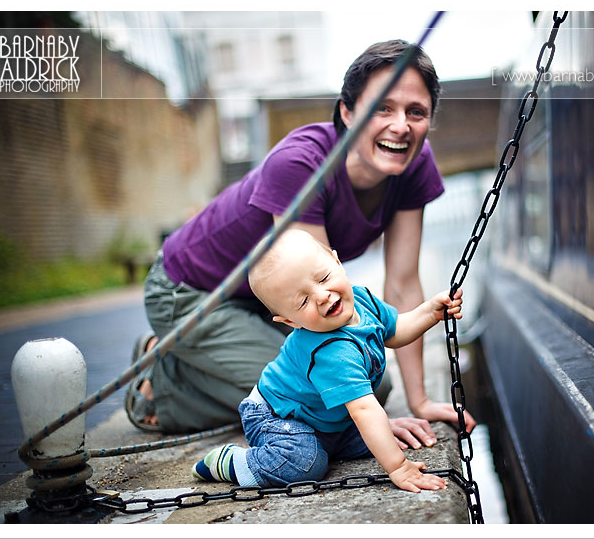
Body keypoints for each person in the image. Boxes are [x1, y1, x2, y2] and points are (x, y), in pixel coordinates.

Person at [125, 39, 476, 447]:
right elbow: (320, 317)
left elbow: (401, 282)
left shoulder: (414, 164)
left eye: (416, 112)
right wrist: (371, 420)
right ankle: (163, 385)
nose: (401, 125)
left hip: (267, 302)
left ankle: (196, 354)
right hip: (189, 291)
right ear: (347, 112)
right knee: (339, 391)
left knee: (359, 382)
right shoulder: (301, 164)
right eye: (383, 107)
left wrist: (419, 401)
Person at [191, 229, 463, 492]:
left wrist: (430, 312)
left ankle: (334, 439)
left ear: (336, 261)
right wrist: (399, 467)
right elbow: (364, 410)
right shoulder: (330, 351)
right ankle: (232, 461)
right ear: (289, 321)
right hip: (276, 417)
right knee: (304, 464)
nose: (322, 296)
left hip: (322, 416)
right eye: (303, 302)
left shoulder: (362, 300)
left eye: (322, 278)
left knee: (373, 437)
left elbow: (396, 330)